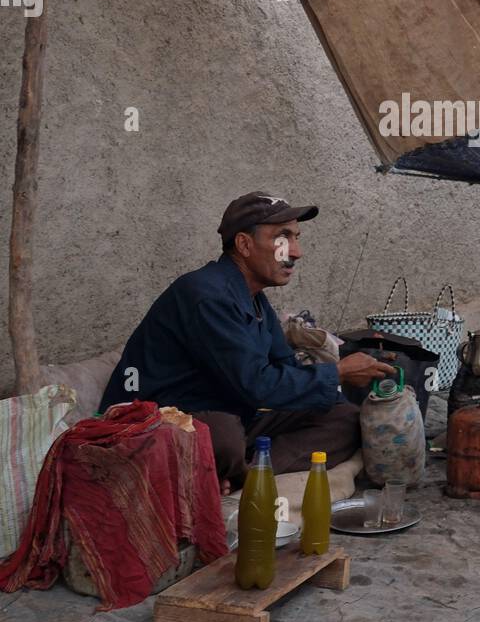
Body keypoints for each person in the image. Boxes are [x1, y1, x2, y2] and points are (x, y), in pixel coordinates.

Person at [100, 193, 395, 493]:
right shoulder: (206, 294)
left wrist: (333, 386)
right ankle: (236, 471)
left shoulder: (255, 299)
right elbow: (256, 385)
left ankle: (244, 474)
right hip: (160, 422)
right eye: (283, 238)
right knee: (221, 437)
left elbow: (285, 370)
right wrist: (337, 373)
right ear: (244, 244)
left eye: (296, 238)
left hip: (232, 411)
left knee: (344, 417)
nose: (296, 252)